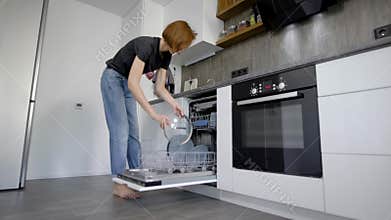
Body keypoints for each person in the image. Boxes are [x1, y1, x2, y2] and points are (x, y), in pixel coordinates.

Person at [100, 20, 196, 199]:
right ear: (176, 40)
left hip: (126, 85)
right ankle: (118, 184)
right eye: (183, 45)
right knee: (120, 132)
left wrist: (174, 104)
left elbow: (159, 88)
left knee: (133, 135)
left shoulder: (167, 56)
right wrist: (154, 115)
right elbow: (133, 82)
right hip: (113, 78)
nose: (183, 49)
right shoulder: (146, 46)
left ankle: (135, 178)